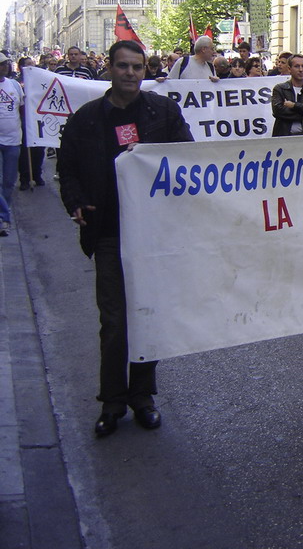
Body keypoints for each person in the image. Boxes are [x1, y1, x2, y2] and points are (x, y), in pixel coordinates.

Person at [58, 40, 193, 436]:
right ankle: (112, 401)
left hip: (152, 232)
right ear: (111, 70)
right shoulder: (86, 119)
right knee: (114, 319)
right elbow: (67, 169)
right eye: (123, 66)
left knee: (146, 315)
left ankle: (143, 397)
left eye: (138, 67)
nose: (131, 73)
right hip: (108, 232)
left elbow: (187, 158)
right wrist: (76, 201)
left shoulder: (163, 111)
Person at [0, 53, 24, 236]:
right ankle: (4, 217)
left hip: (13, 140)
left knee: (9, 181)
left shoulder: (14, 85)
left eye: (5, 64)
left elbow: (22, 109)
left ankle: (4, 209)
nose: (3, 67)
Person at [15, 57, 45, 191]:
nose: (31, 67)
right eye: (28, 65)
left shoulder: (40, 81)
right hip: (23, 119)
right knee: (24, 151)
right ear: (21, 67)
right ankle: (25, 178)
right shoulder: (16, 83)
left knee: (39, 149)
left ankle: (37, 174)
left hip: (38, 119)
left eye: (33, 64)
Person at [271, 54, 303, 136]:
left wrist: (294, 106)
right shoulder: (280, 89)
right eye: (297, 66)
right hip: (284, 136)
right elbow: (278, 111)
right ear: (289, 69)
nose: (301, 70)